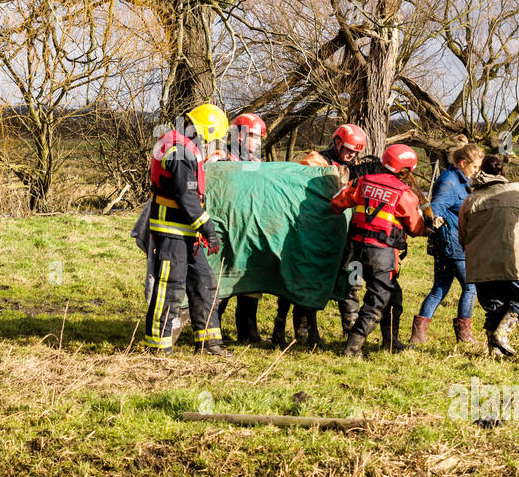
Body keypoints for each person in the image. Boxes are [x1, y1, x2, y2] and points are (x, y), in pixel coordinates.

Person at [276, 122, 383, 348]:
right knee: (311, 276)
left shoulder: (353, 166)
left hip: (344, 233)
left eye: (355, 152)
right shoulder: (317, 159)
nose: (351, 155)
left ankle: (350, 326)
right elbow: (305, 182)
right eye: (347, 150)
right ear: (336, 142)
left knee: (353, 277)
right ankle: (301, 328)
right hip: (312, 230)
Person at [142, 102, 228, 355]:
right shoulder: (179, 152)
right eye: (216, 138)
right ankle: (158, 346)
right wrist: (208, 228)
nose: (214, 144)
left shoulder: (184, 148)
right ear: (207, 132)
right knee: (170, 287)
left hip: (186, 232)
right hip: (172, 231)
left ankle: (209, 343)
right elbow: (186, 195)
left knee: (205, 281)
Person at [330, 143, 427, 358]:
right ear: (406, 169)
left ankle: (390, 342)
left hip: (355, 252)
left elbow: (336, 203)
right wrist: (428, 229)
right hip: (381, 255)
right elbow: (416, 227)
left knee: (391, 294)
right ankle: (352, 348)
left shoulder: (361, 182)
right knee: (378, 300)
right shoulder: (404, 193)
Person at [459, 155, 519, 358]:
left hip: (481, 264)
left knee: (494, 307)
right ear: (501, 172)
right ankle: (502, 333)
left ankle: (494, 351)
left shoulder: (470, 200)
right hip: (513, 262)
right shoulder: (515, 192)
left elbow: (463, 236)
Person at [412, 143, 482, 345]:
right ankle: (464, 335)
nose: (476, 171)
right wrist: (436, 219)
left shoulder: (459, 180)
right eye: (475, 167)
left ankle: (418, 337)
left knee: (439, 289)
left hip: (447, 243)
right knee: (470, 286)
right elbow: (437, 206)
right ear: (462, 163)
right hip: (452, 244)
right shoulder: (450, 182)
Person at [216, 113, 268, 344]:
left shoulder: (257, 163)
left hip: (249, 229)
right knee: (223, 279)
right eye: (254, 137)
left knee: (250, 281)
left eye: (259, 139)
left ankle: (248, 330)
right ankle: (211, 328)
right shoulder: (220, 157)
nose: (258, 142)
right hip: (225, 229)